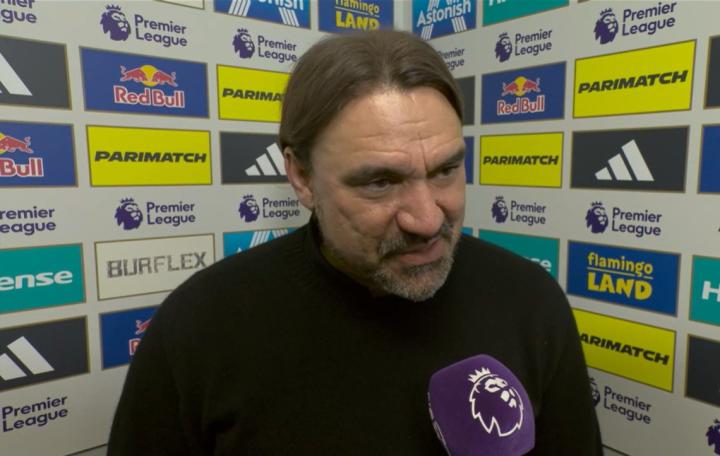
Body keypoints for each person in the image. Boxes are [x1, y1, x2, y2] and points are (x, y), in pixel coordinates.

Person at [108, 30, 602, 455]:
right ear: (301, 177)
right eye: (380, 182)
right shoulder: (200, 327)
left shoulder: (529, 302)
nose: (428, 219)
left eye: (446, 170)